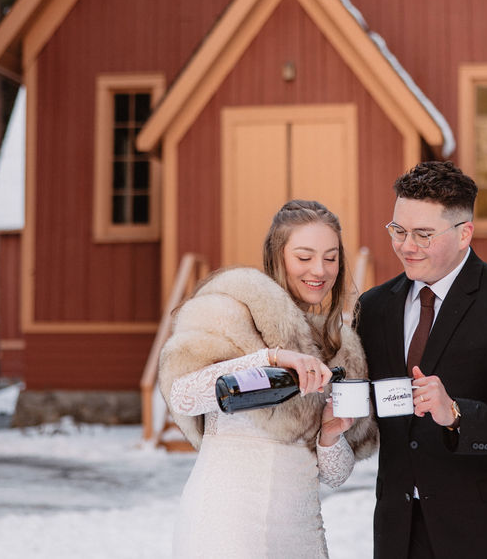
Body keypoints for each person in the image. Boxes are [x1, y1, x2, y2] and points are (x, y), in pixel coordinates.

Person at [355, 161, 487, 559]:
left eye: (423, 234)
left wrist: (456, 413)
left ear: (464, 233)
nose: (406, 245)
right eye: (398, 230)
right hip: (401, 534)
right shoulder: (375, 307)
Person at [159, 199, 378, 558]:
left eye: (331, 257)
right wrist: (270, 359)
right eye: (304, 257)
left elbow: (335, 475)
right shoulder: (231, 312)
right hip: (225, 524)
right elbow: (183, 396)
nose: (319, 270)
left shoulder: (340, 348)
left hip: (301, 531)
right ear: (277, 256)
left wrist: (329, 434)